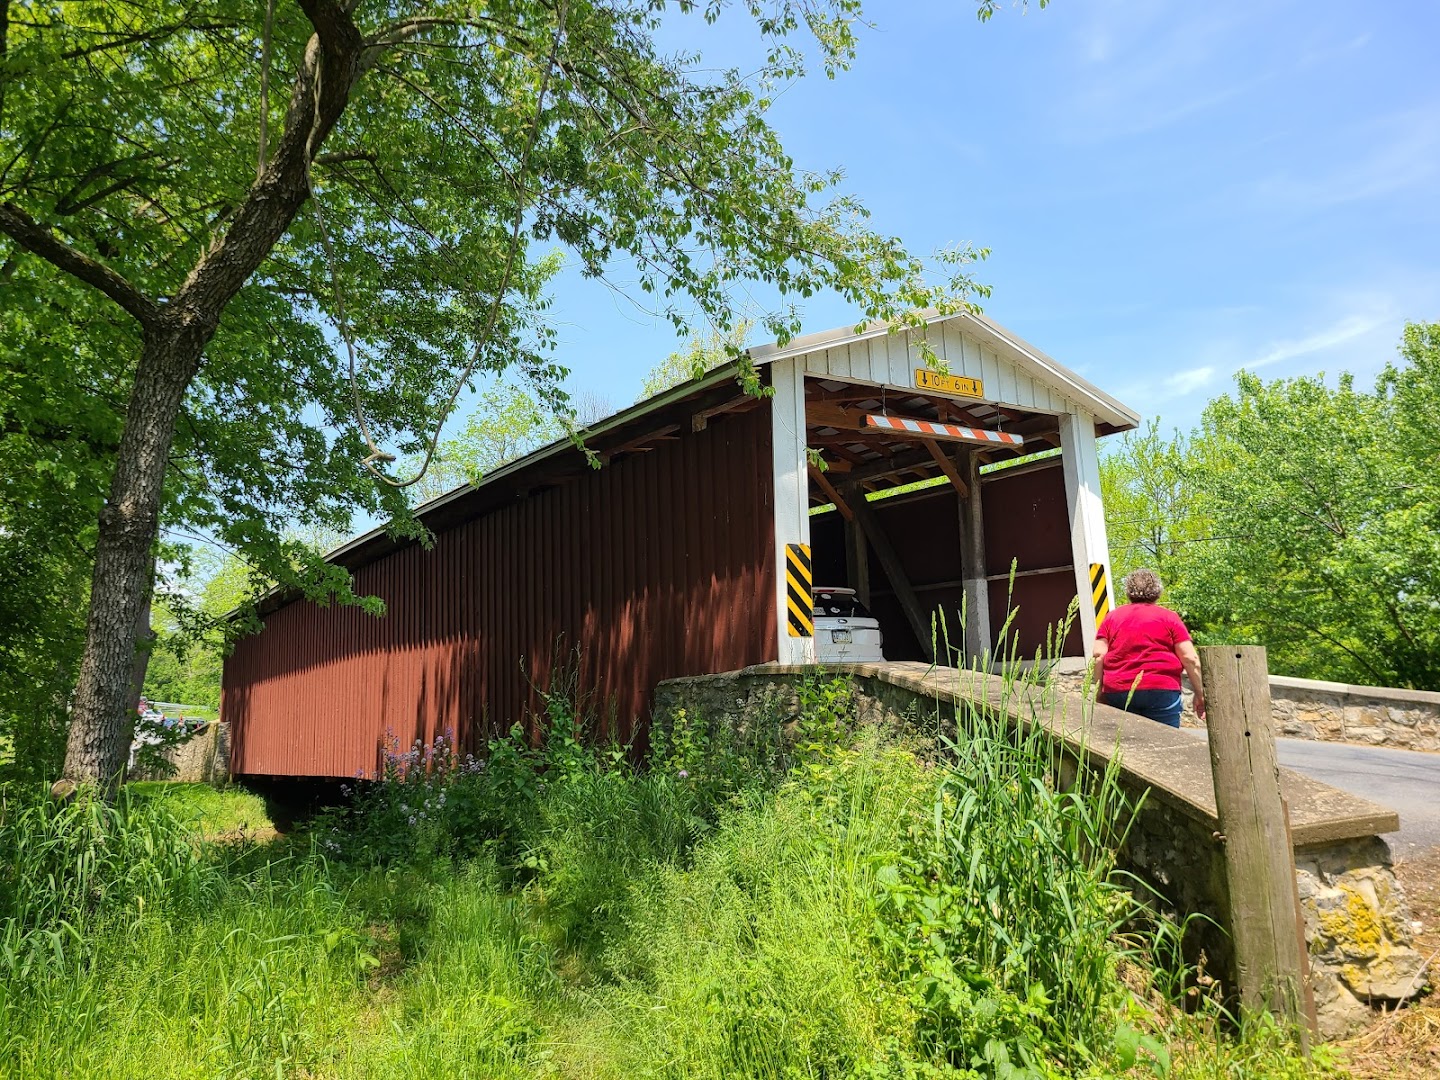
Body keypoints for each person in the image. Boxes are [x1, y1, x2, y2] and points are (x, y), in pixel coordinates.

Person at [1091, 569, 1205, 728]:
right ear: (1158, 592)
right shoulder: (1169, 617)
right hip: (1161, 689)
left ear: (1128, 592)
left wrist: (1099, 692)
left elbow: (1098, 655)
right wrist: (1200, 694)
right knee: (1165, 744)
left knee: (1126, 745)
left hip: (1119, 690)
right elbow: (1190, 658)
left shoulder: (1112, 618)